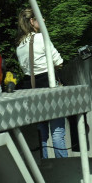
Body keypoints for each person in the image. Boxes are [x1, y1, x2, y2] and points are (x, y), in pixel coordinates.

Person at [16, 8, 68, 159]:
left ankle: (45, 166)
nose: (44, 20)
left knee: (42, 132)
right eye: (40, 18)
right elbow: (59, 61)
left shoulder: (20, 45)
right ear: (32, 22)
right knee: (57, 133)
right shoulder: (42, 38)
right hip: (50, 86)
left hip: (32, 90)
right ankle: (63, 165)